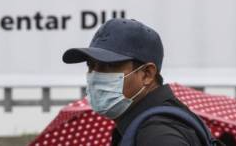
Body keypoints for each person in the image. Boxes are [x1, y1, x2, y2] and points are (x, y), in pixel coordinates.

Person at [62, 18, 213, 145]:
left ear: (147, 74)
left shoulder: (158, 134)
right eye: (91, 66)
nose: (95, 75)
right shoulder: (144, 126)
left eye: (108, 66)